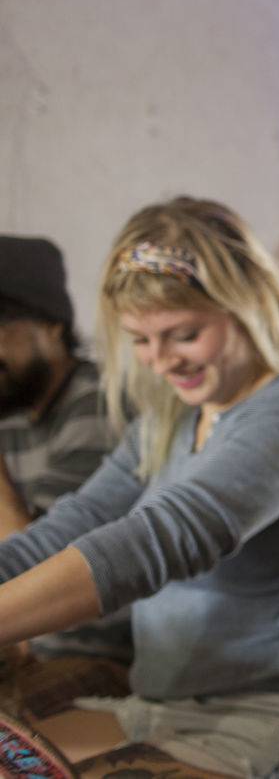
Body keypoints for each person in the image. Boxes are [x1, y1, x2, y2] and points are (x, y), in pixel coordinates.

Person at [0, 197, 279, 778]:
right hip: (154, 708)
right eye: (140, 339)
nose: (161, 361)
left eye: (183, 334)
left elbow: (161, 538)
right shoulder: (169, 420)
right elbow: (69, 525)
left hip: (267, 715)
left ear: (246, 307)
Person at [0, 236, 132, 702]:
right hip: (29, 643)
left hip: (99, 657)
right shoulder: (12, 413)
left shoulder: (97, 403)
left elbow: (44, 564)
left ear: (52, 325)